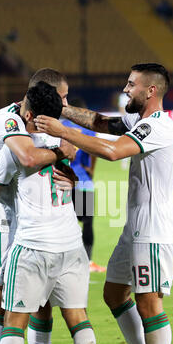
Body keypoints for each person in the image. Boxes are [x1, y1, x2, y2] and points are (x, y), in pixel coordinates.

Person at [34, 63, 173, 344]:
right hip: (136, 228)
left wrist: (62, 131)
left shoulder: (159, 128)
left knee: (149, 302)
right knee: (115, 293)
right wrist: (62, 108)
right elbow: (101, 124)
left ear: (151, 91)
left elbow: (113, 151)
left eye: (132, 85)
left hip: (154, 229)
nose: (125, 89)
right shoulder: (139, 122)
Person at [0, 81, 96, 344]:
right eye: (62, 98)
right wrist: (66, 155)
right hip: (28, 231)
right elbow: (33, 165)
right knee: (24, 310)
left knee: (26, 312)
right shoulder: (20, 125)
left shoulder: (31, 141)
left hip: (32, 239)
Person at [69, 98, 106, 273]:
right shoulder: (87, 129)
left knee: (67, 224)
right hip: (83, 182)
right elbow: (95, 151)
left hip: (64, 183)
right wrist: (91, 169)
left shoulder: (60, 126)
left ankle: (66, 262)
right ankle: (88, 262)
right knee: (87, 223)